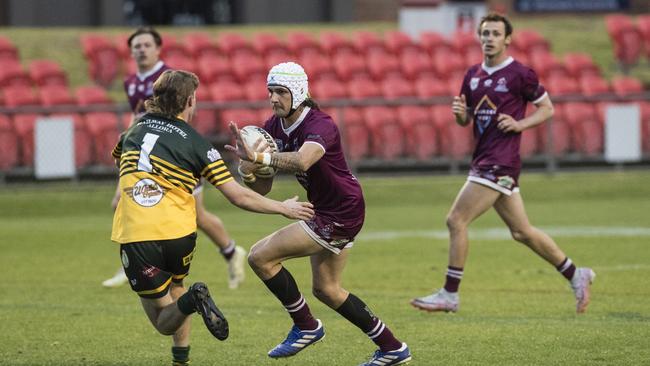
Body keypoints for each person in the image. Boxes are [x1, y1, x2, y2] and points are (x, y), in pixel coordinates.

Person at [110, 69, 314, 365]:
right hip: (180, 234)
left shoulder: (132, 132)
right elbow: (237, 195)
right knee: (176, 290)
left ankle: (196, 300)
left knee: (163, 321)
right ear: (189, 101)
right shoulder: (197, 143)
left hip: (139, 234)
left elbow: (117, 157)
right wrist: (282, 207)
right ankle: (181, 360)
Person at [226, 62, 412, 366]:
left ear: (298, 92)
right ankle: (392, 348)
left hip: (341, 211)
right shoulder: (273, 126)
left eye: (280, 92)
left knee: (260, 256)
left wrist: (259, 156)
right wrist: (248, 170)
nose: (273, 98)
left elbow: (302, 160)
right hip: (328, 209)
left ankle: (306, 325)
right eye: (270, 91)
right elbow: (263, 188)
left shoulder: (320, 123)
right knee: (327, 290)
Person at [410, 13, 595, 314]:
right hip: (484, 159)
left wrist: (521, 125)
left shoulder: (520, 74)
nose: (489, 38)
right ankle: (577, 274)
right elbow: (466, 120)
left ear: (507, 39)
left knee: (456, 220)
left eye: (496, 33)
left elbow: (547, 109)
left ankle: (450, 294)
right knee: (522, 232)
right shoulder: (472, 74)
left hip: (500, 162)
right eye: (485, 33)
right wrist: (459, 113)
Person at [103, 27, 247, 290]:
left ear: (158, 48)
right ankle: (134, 263)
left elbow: (182, 117)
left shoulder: (168, 79)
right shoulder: (131, 82)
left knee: (197, 215)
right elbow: (137, 118)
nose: (141, 49)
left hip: (175, 157)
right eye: (136, 45)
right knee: (136, 203)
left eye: (146, 44)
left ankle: (231, 251)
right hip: (149, 154)